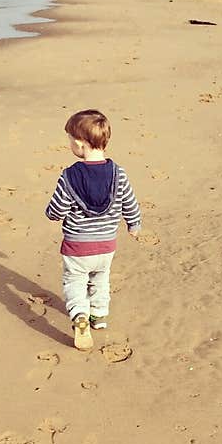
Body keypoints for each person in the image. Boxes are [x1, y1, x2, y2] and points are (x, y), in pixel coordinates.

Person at [45, 109, 142, 351]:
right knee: (100, 278)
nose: (70, 145)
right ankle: (98, 317)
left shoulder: (69, 176)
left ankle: (79, 314)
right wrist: (134, 223)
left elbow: (57, 209)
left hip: (78, 245)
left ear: (80, 143)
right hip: (106, 244)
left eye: (70, 140)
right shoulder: (118, 173)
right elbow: (129, 201)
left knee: (75, 281)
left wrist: (52, 214)